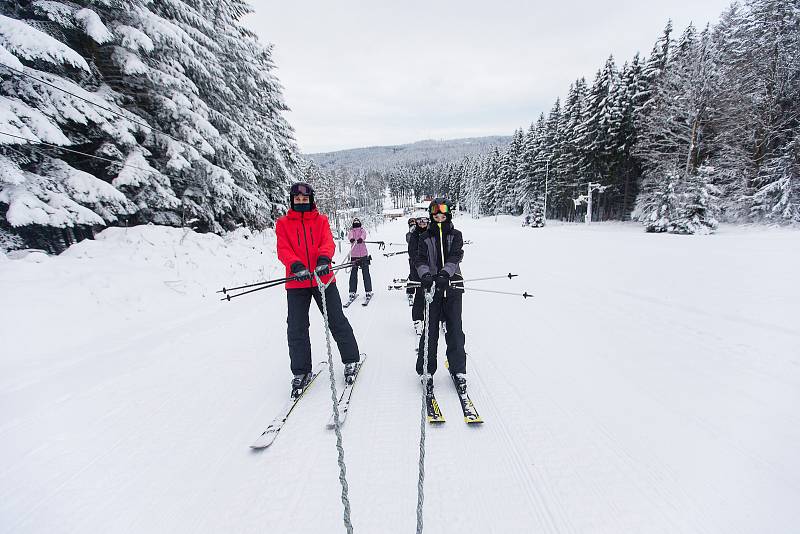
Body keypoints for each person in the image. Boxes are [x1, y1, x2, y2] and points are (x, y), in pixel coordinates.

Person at [276, 182, 361, 396]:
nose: (301, 202)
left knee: (336, 319)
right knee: (296, 327)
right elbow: (283, 248)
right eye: (298, 200)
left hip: (323, 278)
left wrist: (324, 259)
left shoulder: (321, 220)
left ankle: (351, 359)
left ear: (311, 200)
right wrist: (295, 265)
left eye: (305, 200)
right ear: (292, 200)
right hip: (297, 281)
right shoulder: (283, 223)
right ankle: (301, 371)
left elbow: (327, 242)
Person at [414, 198, 467, 394]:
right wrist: (426, 274)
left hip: (452, 286)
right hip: (433, 289)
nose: (439, 216)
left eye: (442, 212)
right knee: (431, 330)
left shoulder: (456, 235)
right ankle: (426, 369)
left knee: (454, 329)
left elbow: (456, 255)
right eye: (435, 213)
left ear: (448, 214)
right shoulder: (425, 237)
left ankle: (458, 369)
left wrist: (446, 273)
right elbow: (419, 259)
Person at [407, 212, 428, 333]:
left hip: (431, 269)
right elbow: (412, 252)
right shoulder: (414, 235)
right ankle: (418, 319)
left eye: (424, 220)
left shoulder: (431, 232)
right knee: (420, 294)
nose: (422, 223)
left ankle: (440, 318)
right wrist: (420, 264)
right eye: (419, 221)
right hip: (418, 268)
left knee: (435, 295)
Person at [347, 217, 372, 299]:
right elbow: (350, 236)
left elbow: (364, 235)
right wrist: (351, 239)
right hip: (354, 255)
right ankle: (352, 291)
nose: (356, 223)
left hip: (363, 255)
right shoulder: (351, 231)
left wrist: (361, 239)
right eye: (355, 222)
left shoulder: (362, 230)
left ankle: (368, 291)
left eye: (357, 222)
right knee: (353, 273)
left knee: (366, 273)